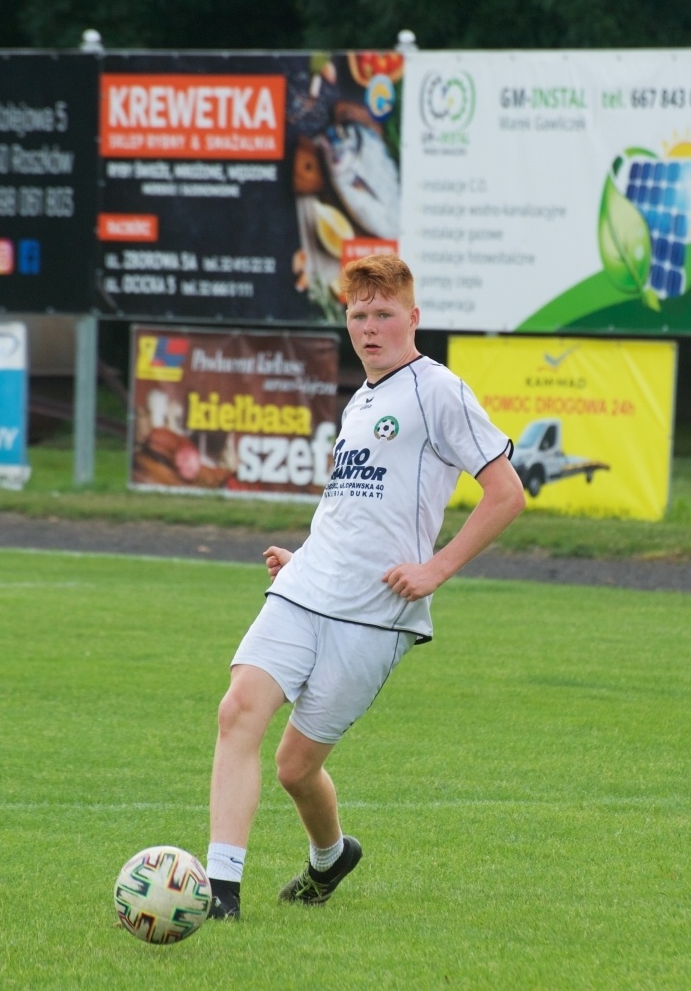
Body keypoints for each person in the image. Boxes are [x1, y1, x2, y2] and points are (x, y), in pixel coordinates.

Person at [205, 254, 525, 920]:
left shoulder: (437, 391)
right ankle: (219, 893)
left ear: (413, 317)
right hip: (307, 587)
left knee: (296, 767)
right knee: (238, 708)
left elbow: (506, 494)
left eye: (384, 314)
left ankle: (330, 858)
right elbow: (353, 507)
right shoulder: (362, 399)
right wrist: (305, 557)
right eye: (358, 314)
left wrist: (435, 569)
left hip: (377, 613)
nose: (370, 327)